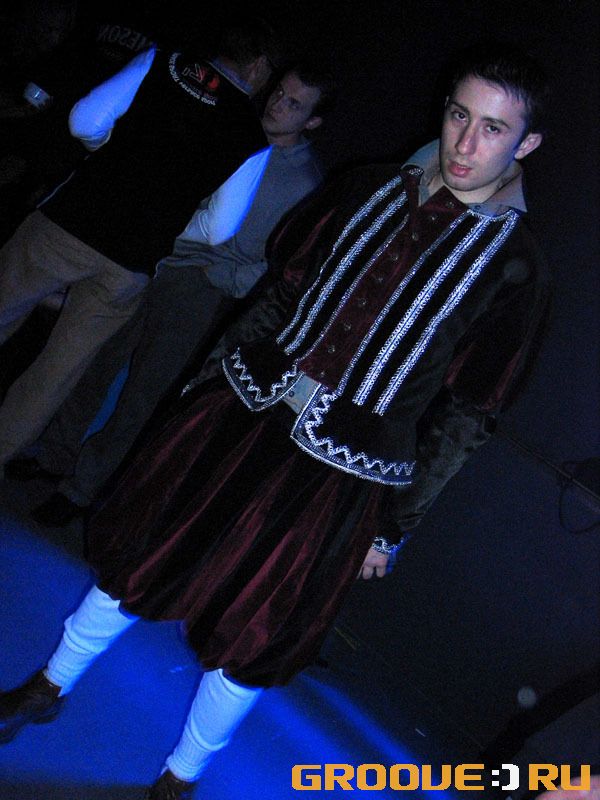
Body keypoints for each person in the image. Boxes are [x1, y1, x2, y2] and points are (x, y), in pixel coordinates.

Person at [0, 43, 551, 800]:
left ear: (527, 143)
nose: (465, 142)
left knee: (259, 623)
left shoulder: (518, 268)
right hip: (244, 413)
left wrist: (394, 526)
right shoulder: (367, 187)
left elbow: (468, 413)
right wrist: (205, 386)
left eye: (493, 128)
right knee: (148, 546)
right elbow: (281, 293)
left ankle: (179, 779)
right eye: (460, 115)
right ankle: (47, 686)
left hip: (342, 473)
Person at [6, 64, 334, 525]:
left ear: (313, 121)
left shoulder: (302, 182)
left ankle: (81, 489)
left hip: (200, 286)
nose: (278, 104)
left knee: (144, 388)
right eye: (279, 91)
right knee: (97, 360)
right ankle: (53, 455)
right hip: (155, 257)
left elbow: (280, 260)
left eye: (294, 104)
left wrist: (221, 279)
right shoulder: (233, 125)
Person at [0, 16, 280, 476]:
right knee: (56, 374)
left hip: (71, 222)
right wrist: (168, 225)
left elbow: (85, 120)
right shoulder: (252, 136)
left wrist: (106, 155)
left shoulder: (162, 62)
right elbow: (219, 230)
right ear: (259, 66)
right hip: (130, 264)